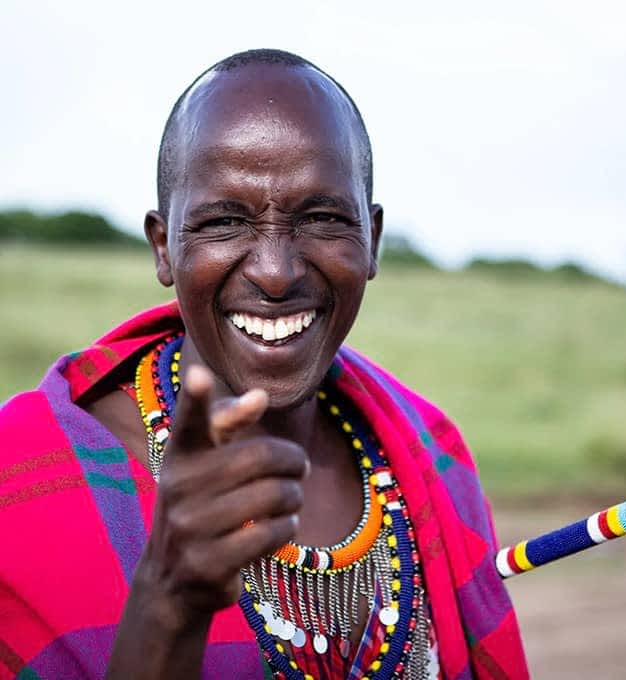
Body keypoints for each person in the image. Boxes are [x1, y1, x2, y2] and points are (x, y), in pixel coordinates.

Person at [0, 49, 529, 679]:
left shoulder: (429, 453)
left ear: (373, 241)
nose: (275, 273)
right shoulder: (22, 477)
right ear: (164, 246)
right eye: (224, 222)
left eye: (323, 218)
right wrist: (168, 601)